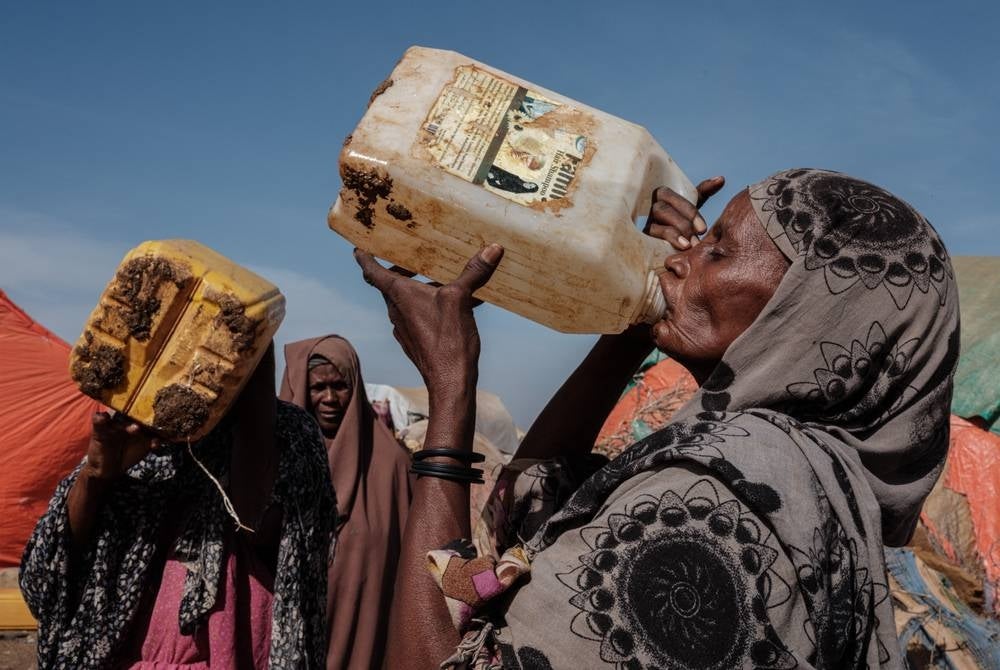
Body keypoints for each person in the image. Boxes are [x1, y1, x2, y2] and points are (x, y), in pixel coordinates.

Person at [356, 168, 959, 669]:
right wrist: (634, 323)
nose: (678, 260)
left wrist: (452, 390)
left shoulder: (716, 503)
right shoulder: (805, 473)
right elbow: (527, 505)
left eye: (718, 251)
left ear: (804, 316)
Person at [20, 344, 335, 670]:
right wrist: (95, 477)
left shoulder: (288, 433)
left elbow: (268, 535)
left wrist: (253, 404)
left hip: (234, 652)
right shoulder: (132, 430)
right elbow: (41, 584)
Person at [278, 335, 412, 670]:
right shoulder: (276, 456)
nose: (330, 398)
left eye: (340, 386)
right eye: (317, 387)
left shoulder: (391, 464)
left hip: (356, 630)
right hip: (282, 626)